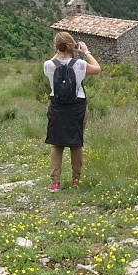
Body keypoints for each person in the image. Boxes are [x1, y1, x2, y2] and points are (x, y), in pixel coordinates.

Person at [44, 31, 101, 191]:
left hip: (57, 107)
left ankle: (55, 182)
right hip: (76, 107)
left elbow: (52, 60)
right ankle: (75, 180)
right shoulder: (79, 65)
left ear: (56, 47)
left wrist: (58, 52)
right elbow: (97, 69)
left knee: (57, 145)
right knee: (76, 143)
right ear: (71, 45)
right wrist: (86, 52)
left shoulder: (48, 65)